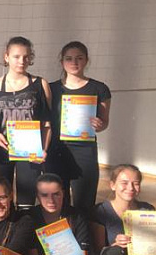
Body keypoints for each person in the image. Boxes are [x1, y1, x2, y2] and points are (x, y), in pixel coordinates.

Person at [0, 36, 52, 209]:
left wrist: (44, 149)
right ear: (6, 57)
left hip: (30, 152)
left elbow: (47, 124)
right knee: (2, 200)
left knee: (27, 203)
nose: (21, 61)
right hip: (1, 151)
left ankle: (25, 227)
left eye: (26, 57)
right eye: (16, 56)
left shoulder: (40, 84)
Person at [46, 41, 111, 212]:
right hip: (55, 149)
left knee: (84, 201)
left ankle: (83, 230)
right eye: (69, 58)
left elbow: (104, 122)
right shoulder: (51, 89)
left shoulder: (99, 88)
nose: (74, 62)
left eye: (79, 58)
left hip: (84, 150)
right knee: (57, 201)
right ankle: (61, 230)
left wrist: (99, 125)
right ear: (62, 61)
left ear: (86, 60)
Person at [23, 173, 92, 255]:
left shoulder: (76, 216)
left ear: (63, 193)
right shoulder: (29, 218)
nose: (51, 200)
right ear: (37, 196)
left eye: (56, 194)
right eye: (44, 195)